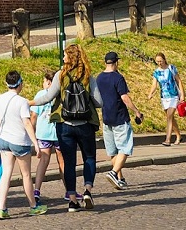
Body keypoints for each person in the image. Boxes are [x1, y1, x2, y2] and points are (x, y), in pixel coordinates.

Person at [34, 42, 100, 210]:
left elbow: (48, 97)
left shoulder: (60, 75)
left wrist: (30, 102)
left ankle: (72, 200)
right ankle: (87, 190)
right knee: (89, 158)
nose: (63, 58)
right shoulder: (88, 76)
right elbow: (99, 102)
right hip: (85, 124)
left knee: (69, 162)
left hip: (64, 125)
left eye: (64, 55)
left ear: (69, 58)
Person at [0, 70, 47, 219]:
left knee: (6, 174)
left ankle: (2, 208)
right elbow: (27, 123)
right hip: (20, 142)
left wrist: (1, 132)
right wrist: (35, 143)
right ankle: (33, 205)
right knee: (26, 175)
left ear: (6, 83)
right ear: (20, 84)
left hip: (4, 141)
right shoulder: (22, 101)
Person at [93, 51, 141, 190]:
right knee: (125, 148)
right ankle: (114, 173)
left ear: (105, 62)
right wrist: (137, 112)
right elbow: (124, 97)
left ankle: (120, 179)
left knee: (113, 151)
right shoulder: (118, 78)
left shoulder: (99, 78)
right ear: (116, 62)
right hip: (120, 117)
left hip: (106, 118)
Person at [31, 70, 64, 202]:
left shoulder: (41, 94)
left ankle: (37, 190)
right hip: (58, 133)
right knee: (62, 161)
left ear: (49, 82)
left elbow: (34, 116)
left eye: (44, 81)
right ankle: (69, 190)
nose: (43, 83)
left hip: (43, 133)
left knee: (43, 161)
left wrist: (31, 133)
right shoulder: (60, 94)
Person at [147, 51, 184, 146]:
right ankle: (178, 135)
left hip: (173, 95)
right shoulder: (156, 72)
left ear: (164, 60)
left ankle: (168, 139)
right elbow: (154, 84)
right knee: (170, 117)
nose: (159, 63)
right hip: (164, 97)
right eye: (157, 61)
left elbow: (178, 81)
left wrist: (182, 94)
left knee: (169, 116)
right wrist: (151, 93)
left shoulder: (171, 68)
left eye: (161, 61)